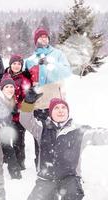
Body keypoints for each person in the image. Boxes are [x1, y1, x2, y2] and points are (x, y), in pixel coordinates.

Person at [19, 92, 108, 200]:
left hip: (70, 178)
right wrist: (28, 104)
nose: (60, 110)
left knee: (73, 194)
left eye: (63, 107)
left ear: (68, 112)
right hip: (46, 178)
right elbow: (25, 120)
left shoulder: (79, 131)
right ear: (50, 112)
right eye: (56, 108)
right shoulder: (42, 128)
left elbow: (104, 136)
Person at [24, 27, 72, 171]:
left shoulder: (57, 55)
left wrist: (49, 64)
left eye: (46, 36)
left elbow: (66, 71)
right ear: (35, 40)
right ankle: (41, 167)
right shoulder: (30, 60)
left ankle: (60, 167)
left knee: (59, 137)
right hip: (38, 105)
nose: (44, 39)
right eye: (41, 37)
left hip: (55, 104)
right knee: (39, 137)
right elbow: (25, 82)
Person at [4, 54, 32, 170]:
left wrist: (18, 107)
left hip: (18, 117)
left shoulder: (24, 80)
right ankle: (7, 160)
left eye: (19, 64)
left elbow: (28, 99)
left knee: (18, 141)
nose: (16, 66)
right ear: (10, 64)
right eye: (14, 63)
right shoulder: (5, 76)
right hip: (5, 116)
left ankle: (20, 163)